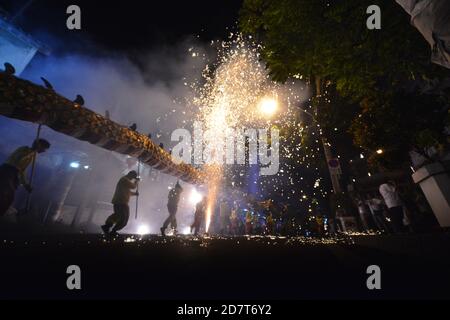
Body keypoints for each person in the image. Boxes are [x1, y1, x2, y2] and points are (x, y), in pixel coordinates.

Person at [0, 139, 51, 216]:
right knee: (5, 195)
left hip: (14, 174)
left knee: (10, 198)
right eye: (44, 149)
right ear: (39, 145)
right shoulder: (24, 149)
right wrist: (32, 151)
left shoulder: (32, 156)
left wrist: (25, 184)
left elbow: (22, 171)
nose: (44, 151)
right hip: (7, 171)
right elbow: (18, 160)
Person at [101, 171, 139, 236]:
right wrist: (136, 182)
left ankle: (109, 227)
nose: (133, 179)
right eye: (133, 177)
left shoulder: (125, 181)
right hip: (120, 202)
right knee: (122, 217)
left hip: (122, 202)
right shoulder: (124, 179)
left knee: (119, 216)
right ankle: (111, 228)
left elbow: (128, 192)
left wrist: (135, 194)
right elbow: (133, 186)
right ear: (130, 174)